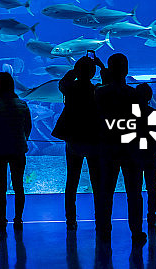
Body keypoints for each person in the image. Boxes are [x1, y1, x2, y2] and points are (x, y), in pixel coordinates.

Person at [94, 53, 146, 246]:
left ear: (109, 70)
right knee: (134, 191)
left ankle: (104, 228)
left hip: (108, 146)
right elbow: (141, 121)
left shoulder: (100, 92)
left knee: (105, 190)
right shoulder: (134, 94)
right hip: (130, 147)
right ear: (126, 70)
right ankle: (136, 230)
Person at [53, 55, 104, 231]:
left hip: (73, 139)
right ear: (93, 72)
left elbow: (63, 82)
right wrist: (101, 67)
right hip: (93, 139)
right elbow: (108, 83)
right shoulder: (97, 91)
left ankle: (71, 219)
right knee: (97, 181)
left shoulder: (70, 89)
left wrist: (75, 70)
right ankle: (100, 218)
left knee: (72, 180)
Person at [0, 72, 31, 231]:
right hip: (18, 149)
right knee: (18, 185)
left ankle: (2, 219)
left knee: (1, 186)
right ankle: (18, 219)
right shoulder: (23, 105)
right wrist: (21, 138)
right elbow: (28, 128)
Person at [134, 83, 156, 231]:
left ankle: (136, 219)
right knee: (152, 187)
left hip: (135, 155)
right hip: (151, 155)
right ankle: (152, 217)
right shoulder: (154, 113)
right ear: (150, 96)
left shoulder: (130, 114)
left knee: (135, 189)